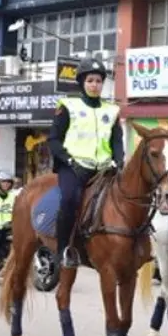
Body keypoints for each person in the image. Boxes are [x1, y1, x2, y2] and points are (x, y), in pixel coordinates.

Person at [47, 56, 124, 270]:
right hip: (74, 167)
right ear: (82, 82)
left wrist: (120, 161)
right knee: (70, 199)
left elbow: (116, 141)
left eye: (98, 81)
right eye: (90, 80)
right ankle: (63, 250)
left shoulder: (112, 110)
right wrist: (68, 160)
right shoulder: (68, 106)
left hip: (103, 169)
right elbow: (53, 139)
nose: (94, 85)